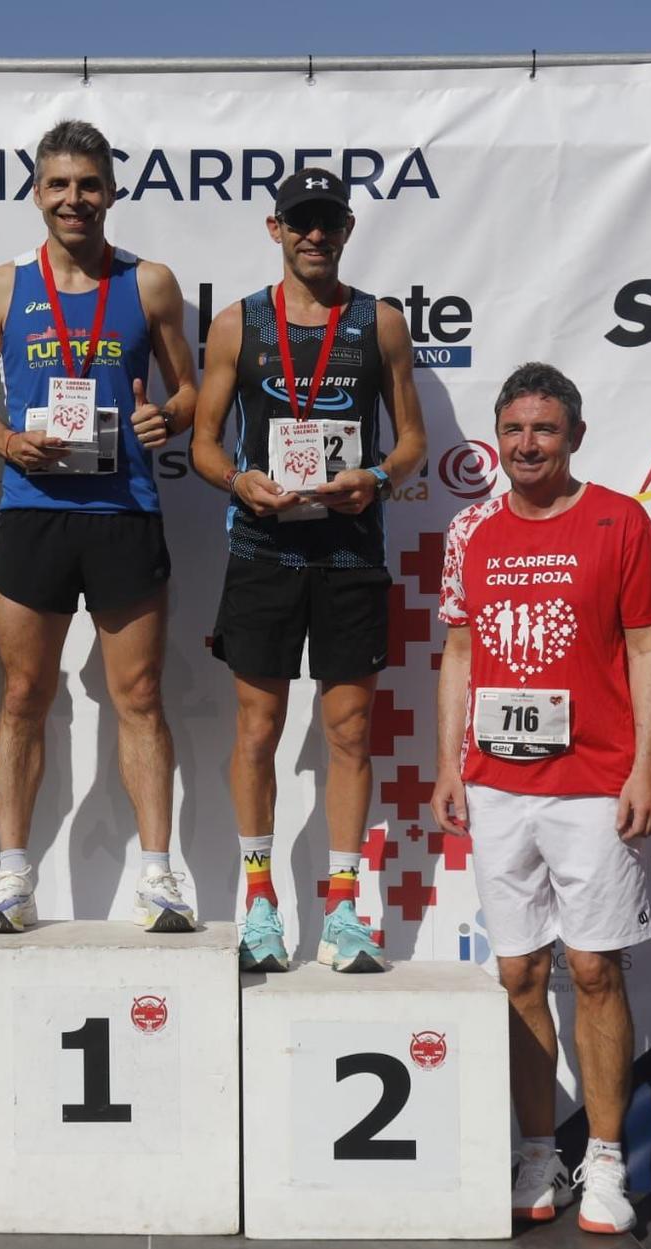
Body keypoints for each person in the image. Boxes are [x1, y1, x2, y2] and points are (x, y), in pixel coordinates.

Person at [430, 362, 651, 1235]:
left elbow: (648, 650)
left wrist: (644, 767)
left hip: (590, 784)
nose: (526, 445)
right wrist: (450, 763)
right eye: (514, 429)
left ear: (574, 435)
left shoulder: (620, 519)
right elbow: (458, 651)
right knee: (518, 971)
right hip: (498, 786)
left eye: (544, 429)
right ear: (497, 437)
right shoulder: (470, 530)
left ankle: (606, 1159)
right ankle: (539, 1150)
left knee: (595, 969)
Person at [0, 120, 200, 933]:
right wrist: (6, 439)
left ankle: (160, 878)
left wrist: (168, 416)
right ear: (36, 193)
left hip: (124, 510)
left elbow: (189, 390)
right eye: (58, 185)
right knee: (23, 694)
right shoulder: (0, 286)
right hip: (35, 511)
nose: (73, 199)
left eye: (88, 185)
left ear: (112, 192)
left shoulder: (151, 283)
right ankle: (13, 876)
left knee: (138, 695)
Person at [188, 168, 426, 973]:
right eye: (300, 221)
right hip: (264, 550)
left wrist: (380, 480)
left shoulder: (380, 323)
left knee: (350, 733)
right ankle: (258, 901)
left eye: (327, 221)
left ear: (348, 229)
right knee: (257, 729)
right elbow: (205, 443)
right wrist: (236, 480)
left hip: (350, 551)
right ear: (274, 228)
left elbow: (412, 443)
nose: (314, 235)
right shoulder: (237, 325)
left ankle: (345, 912)